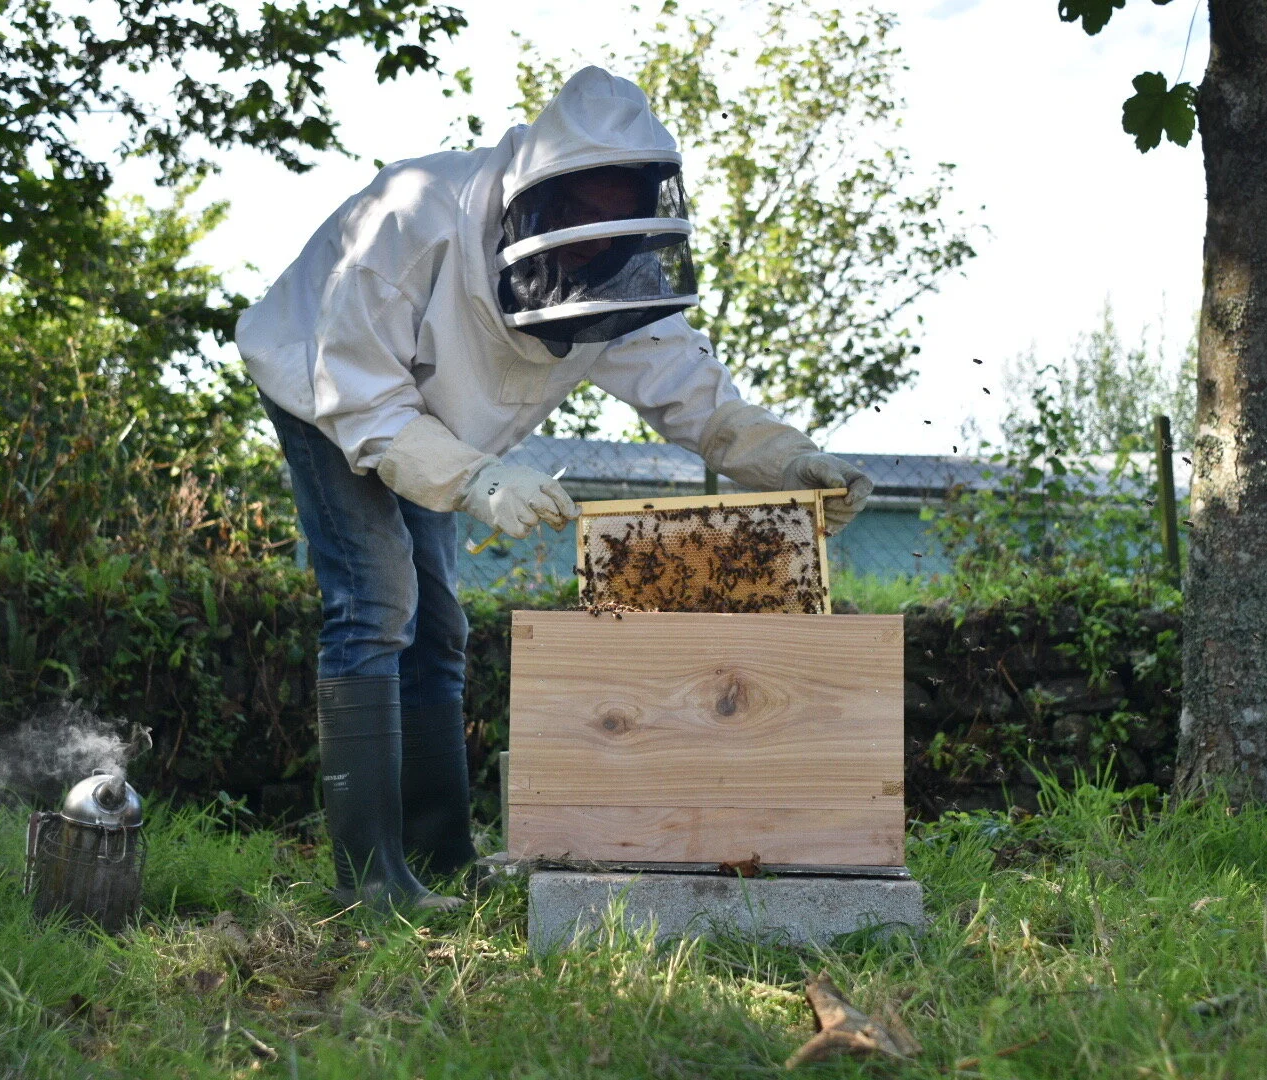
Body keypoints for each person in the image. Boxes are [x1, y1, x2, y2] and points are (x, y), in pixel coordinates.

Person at [236, 66, 873, 912]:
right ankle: (370, 882)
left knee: (441, 623)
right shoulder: (413, 219)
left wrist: (790, 461)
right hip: (324, 383)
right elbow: (363, 401)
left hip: (437, 424)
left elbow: (696, 395)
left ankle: (441, 856)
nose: (588, 237)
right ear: (536, 194)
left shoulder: (615, 276)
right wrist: (476, 478)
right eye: (575, 213)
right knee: (378, 597)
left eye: (610, 217)